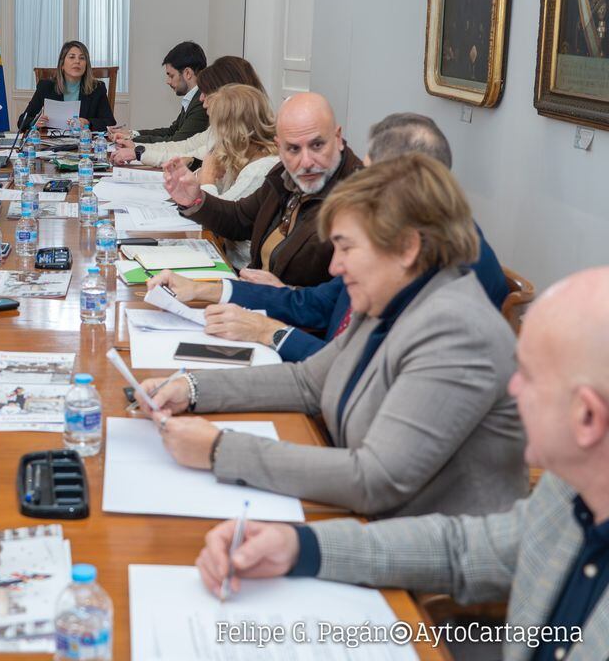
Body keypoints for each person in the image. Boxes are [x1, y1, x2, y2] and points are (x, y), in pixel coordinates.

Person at [194, 266, 609, 661]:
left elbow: (376, 478)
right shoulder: (568, 492)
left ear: (587, 418)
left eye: (529, 376)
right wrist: (298, 547)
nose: (512, 388)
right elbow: (462, 549)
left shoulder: (453, 324)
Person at [138, 154, 527, 518]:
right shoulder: (392, 295)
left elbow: (373, 479)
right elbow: (308, 381)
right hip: (363, 514)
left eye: (347, 248)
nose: (336, 267)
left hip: (417, 547)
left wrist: (220, 450)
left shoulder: (457, 332)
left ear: (407, 248)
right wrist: (191, 388)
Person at [150, 112, 510, 360]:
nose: (364, 184)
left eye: (372, 176)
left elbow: (354, 368)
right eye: (293, 148)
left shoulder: (449, 267)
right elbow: (321, 302)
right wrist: (206, 289)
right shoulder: (407, 229)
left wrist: (269, 332)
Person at [164, 92, 363, 286]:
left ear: (337, 137)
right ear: (279, 146)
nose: (306, 162)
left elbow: (344, 296)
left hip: (278, 305)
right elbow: (240, 218)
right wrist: (195, 199)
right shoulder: (283, 172)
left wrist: (282, 293)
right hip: (254, 294)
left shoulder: (360, 198)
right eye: (293, 148)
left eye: (317, 145)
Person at [110, 56, 268, 167]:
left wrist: (139, 152)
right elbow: (184, 146)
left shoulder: (247, 149)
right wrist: (137, 148)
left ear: (229, 96)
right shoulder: (219, 130)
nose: (202, 100)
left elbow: (188, 154)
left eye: (207, 93)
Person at [108, 41, 209, 145]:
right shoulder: (193, 97)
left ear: (188, 73)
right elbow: (171, 131)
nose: (168, 81)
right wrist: (132, 134)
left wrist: (130, 139)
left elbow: (176, 142)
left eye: (171, 76)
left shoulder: (201, 102)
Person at [18, 40, 116, 131]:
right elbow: (22, 121)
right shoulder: (46, 87)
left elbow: (109, 122)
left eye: (82, 58)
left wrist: (88, 123)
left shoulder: (97, 88)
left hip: (83, 141)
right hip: (51, 142)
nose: (77, 61)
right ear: (62, 65)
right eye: (72, 57)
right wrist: (35, 122)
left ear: (86, 65)